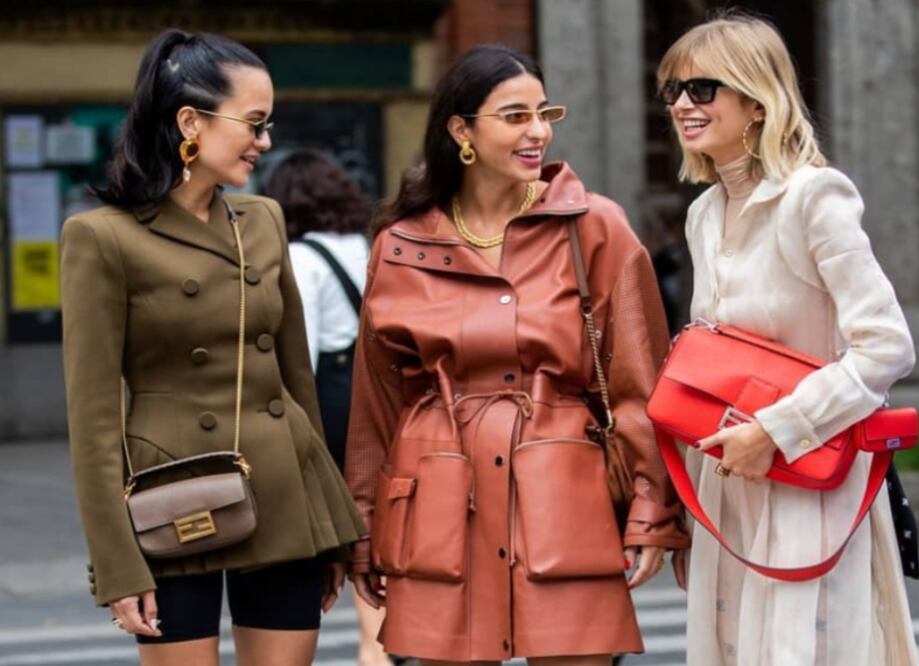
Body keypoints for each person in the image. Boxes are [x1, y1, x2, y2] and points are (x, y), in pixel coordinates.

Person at [343, 44, 690, 665]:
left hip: (565, 494)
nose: (538, 131)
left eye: (544, 112)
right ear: (461, 131)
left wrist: (650, 507)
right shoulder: (400, 245)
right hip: (438, 496)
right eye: (514, 116)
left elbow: (640, 382)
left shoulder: (594, 227)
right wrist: (364, 526)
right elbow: (377, 404)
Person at [59, 29, 363, 665]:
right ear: (190, 122)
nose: (265, 141)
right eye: (253, 123)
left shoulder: (264, 219)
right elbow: (92, 419)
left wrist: (327, 523)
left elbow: (295, 381)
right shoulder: (102, 238)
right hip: (172, 499)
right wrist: (116, 562)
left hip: (281, 494)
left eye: (267, 124)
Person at [657, 12, 919, 665]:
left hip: (808, 475)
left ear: (756, 100)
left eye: (702, 88)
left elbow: (887, 346)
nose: (682, 104)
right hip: (727, 481)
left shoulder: (813, 197)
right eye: (672, 90)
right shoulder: (703, 213)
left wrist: (775, 430)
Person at [265, 150, 394, 666]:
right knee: (379, 521)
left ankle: (374, 646)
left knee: (352, 528)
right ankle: (385, 636)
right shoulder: (368, 246)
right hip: (380, 400)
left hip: (335, 403)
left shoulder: (301, 257)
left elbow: (303, 354)